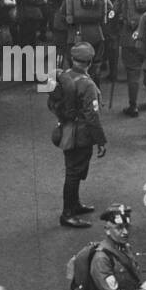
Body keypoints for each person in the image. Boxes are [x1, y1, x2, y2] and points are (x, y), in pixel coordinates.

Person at [47, 40, 107, 228]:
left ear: (72, 59)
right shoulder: (87, 84)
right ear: (90, 62)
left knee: (74, 170)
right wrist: (101, 141)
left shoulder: (64, 77)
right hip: (80, 134)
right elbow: (92, 116)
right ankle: (67, 214)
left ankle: (75, 204)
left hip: (66, 129)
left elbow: (52, 104)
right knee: (73, 173)